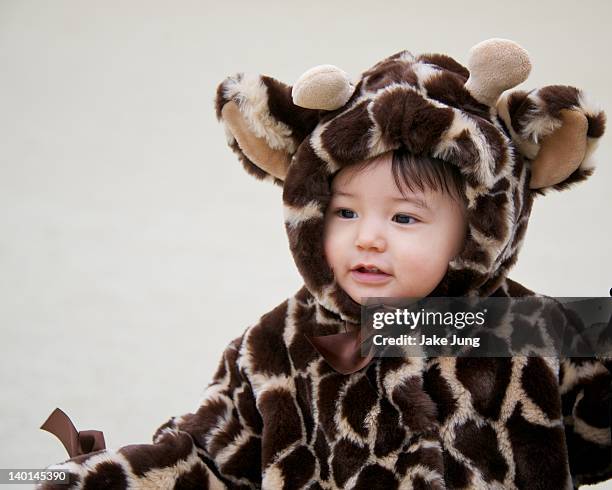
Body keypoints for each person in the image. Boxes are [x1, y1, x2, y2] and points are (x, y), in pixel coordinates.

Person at [37, 38, 610, 489]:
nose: (368, 239)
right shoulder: (274, 345)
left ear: (483, 228)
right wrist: (108, 478)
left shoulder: (536, 331)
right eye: (344, 213)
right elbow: (210, 461)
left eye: (404, 219)